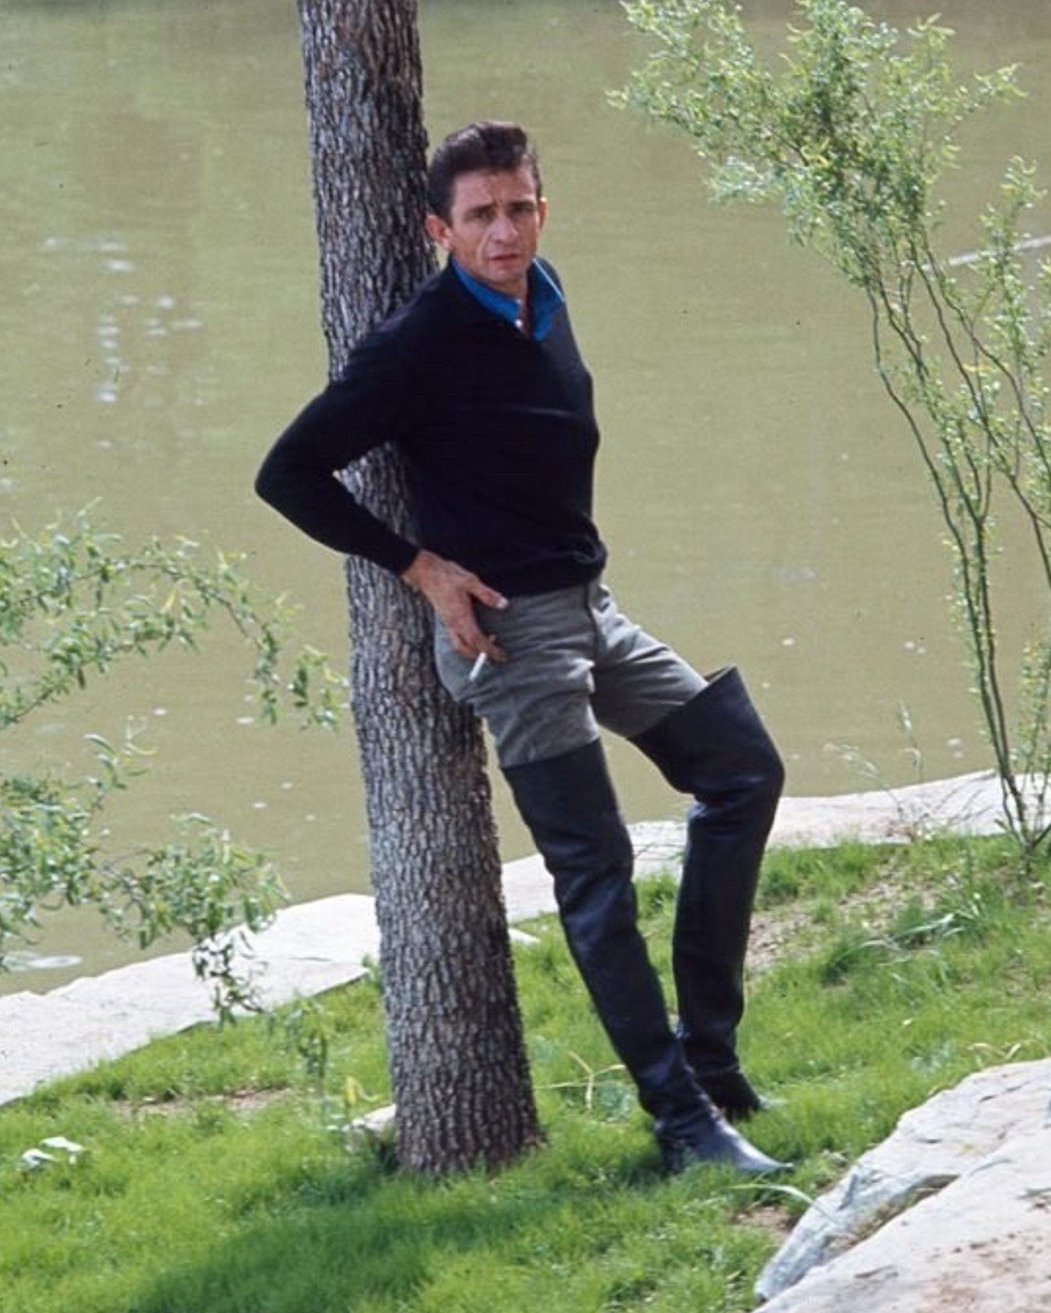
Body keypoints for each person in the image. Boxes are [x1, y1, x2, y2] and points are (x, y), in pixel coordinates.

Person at [255, 120, 788, 1176]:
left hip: (591, 605)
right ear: (437, 228)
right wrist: (418, 565)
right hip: (512, 634)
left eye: (518, 207)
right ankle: (681, 1121)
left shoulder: (540, 297)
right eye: (480, 215)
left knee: (741, 769)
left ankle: (711, 1060)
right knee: (596, 868)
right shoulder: (417, 342)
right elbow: (289, 472)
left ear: (544, 207)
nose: (503, 232)